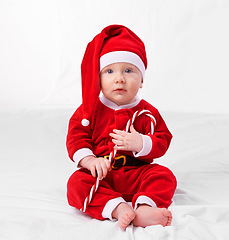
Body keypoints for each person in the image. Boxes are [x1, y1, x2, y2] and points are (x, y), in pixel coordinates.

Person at [66, 25, 177, 230]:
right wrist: (90, 160)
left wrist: (141, 142)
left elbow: (163, 139)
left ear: (141, 79)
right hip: (102, 175)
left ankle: (144, 207)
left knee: (164, 176)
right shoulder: (89, 110)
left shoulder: (147, 112)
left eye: (129, 70)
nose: (120, 78)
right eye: (109, 71)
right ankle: (118, 208)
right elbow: (76, 138)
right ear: (98, 79)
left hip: (137, 173)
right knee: (76, 183)